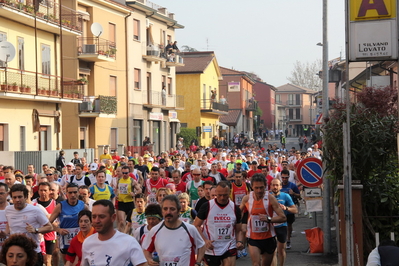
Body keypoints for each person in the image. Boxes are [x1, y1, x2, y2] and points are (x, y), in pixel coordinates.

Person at [142, 195, 206, 266]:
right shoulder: (155, 230)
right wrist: (149, 260)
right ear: (162, 211)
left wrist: (198, 262)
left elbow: (202, 246)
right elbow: (146, 250)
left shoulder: (190, 229)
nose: (168, 212)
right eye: (165, 209)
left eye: (172, 209)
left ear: (179, 211)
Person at [81, 200, 147, 266]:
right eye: (94, 217)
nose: (97, 221)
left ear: (113, 217)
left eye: (101, 217)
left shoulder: (129, 242)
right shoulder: (87, 243)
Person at [240, 174, 286, 266]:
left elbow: (283, 217)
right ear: (252, 187)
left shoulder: (270, 198)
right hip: (253, 238)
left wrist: (269, 219)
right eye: (256, 188)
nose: (259, 190)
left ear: (265, 186)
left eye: (261, 188)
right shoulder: (247, 198)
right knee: (256, 264)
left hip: (268, 238)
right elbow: (237, 214)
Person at [194, 181, 244, 266]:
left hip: (229, 245)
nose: (222, 198)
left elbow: (238, 229)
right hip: (211, 247)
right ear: (216, 192)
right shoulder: (207, 206)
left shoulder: (235, 208)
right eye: (219, 195)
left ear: (229, 193)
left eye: (225, 195)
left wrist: (239, 241)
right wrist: (205, 241)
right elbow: (196, 225)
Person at [4, 184, 53, 266]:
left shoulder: (35, 210)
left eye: (20, 197)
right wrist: (5, 233)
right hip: (16, 254)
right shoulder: (8, 210)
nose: (17, 200)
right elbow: (9, 224)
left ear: (26, 197)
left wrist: (36, 230)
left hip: (33, 252)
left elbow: (50, 227)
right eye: (14, 197)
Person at [49, 183, 86, 263]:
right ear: (66, 193)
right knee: (68, 263)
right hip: (65, 240)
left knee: (79, 262)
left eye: (75, 192)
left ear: (78, 193)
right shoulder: (60, 206)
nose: (73, 195)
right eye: (70, 192)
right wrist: (58, 230)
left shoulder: (82, 205)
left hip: (80, 239)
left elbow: (91, 221)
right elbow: (48, 224)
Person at [270, 178, 298, 266]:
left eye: (277, 185)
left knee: (281, 250)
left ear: (280, 186)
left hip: (282, 225)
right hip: (270, 226)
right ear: (270, 186)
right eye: (273, 185)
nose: (275, 187)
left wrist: (286, 208)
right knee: (272, 251)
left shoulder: (285, 196)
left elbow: (295, 210)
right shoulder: (267, 196)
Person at [279, 169, 300, 249]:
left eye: (286, 178)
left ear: (289, 177)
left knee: (289, 225)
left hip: (290, 208)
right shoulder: (279, 186)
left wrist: (293, 193)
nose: (284, 179)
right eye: (283, 177)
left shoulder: (292, 185)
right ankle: (281, 240)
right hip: (280, 209)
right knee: (280, 225)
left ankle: (288, 240)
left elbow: (299, 196)